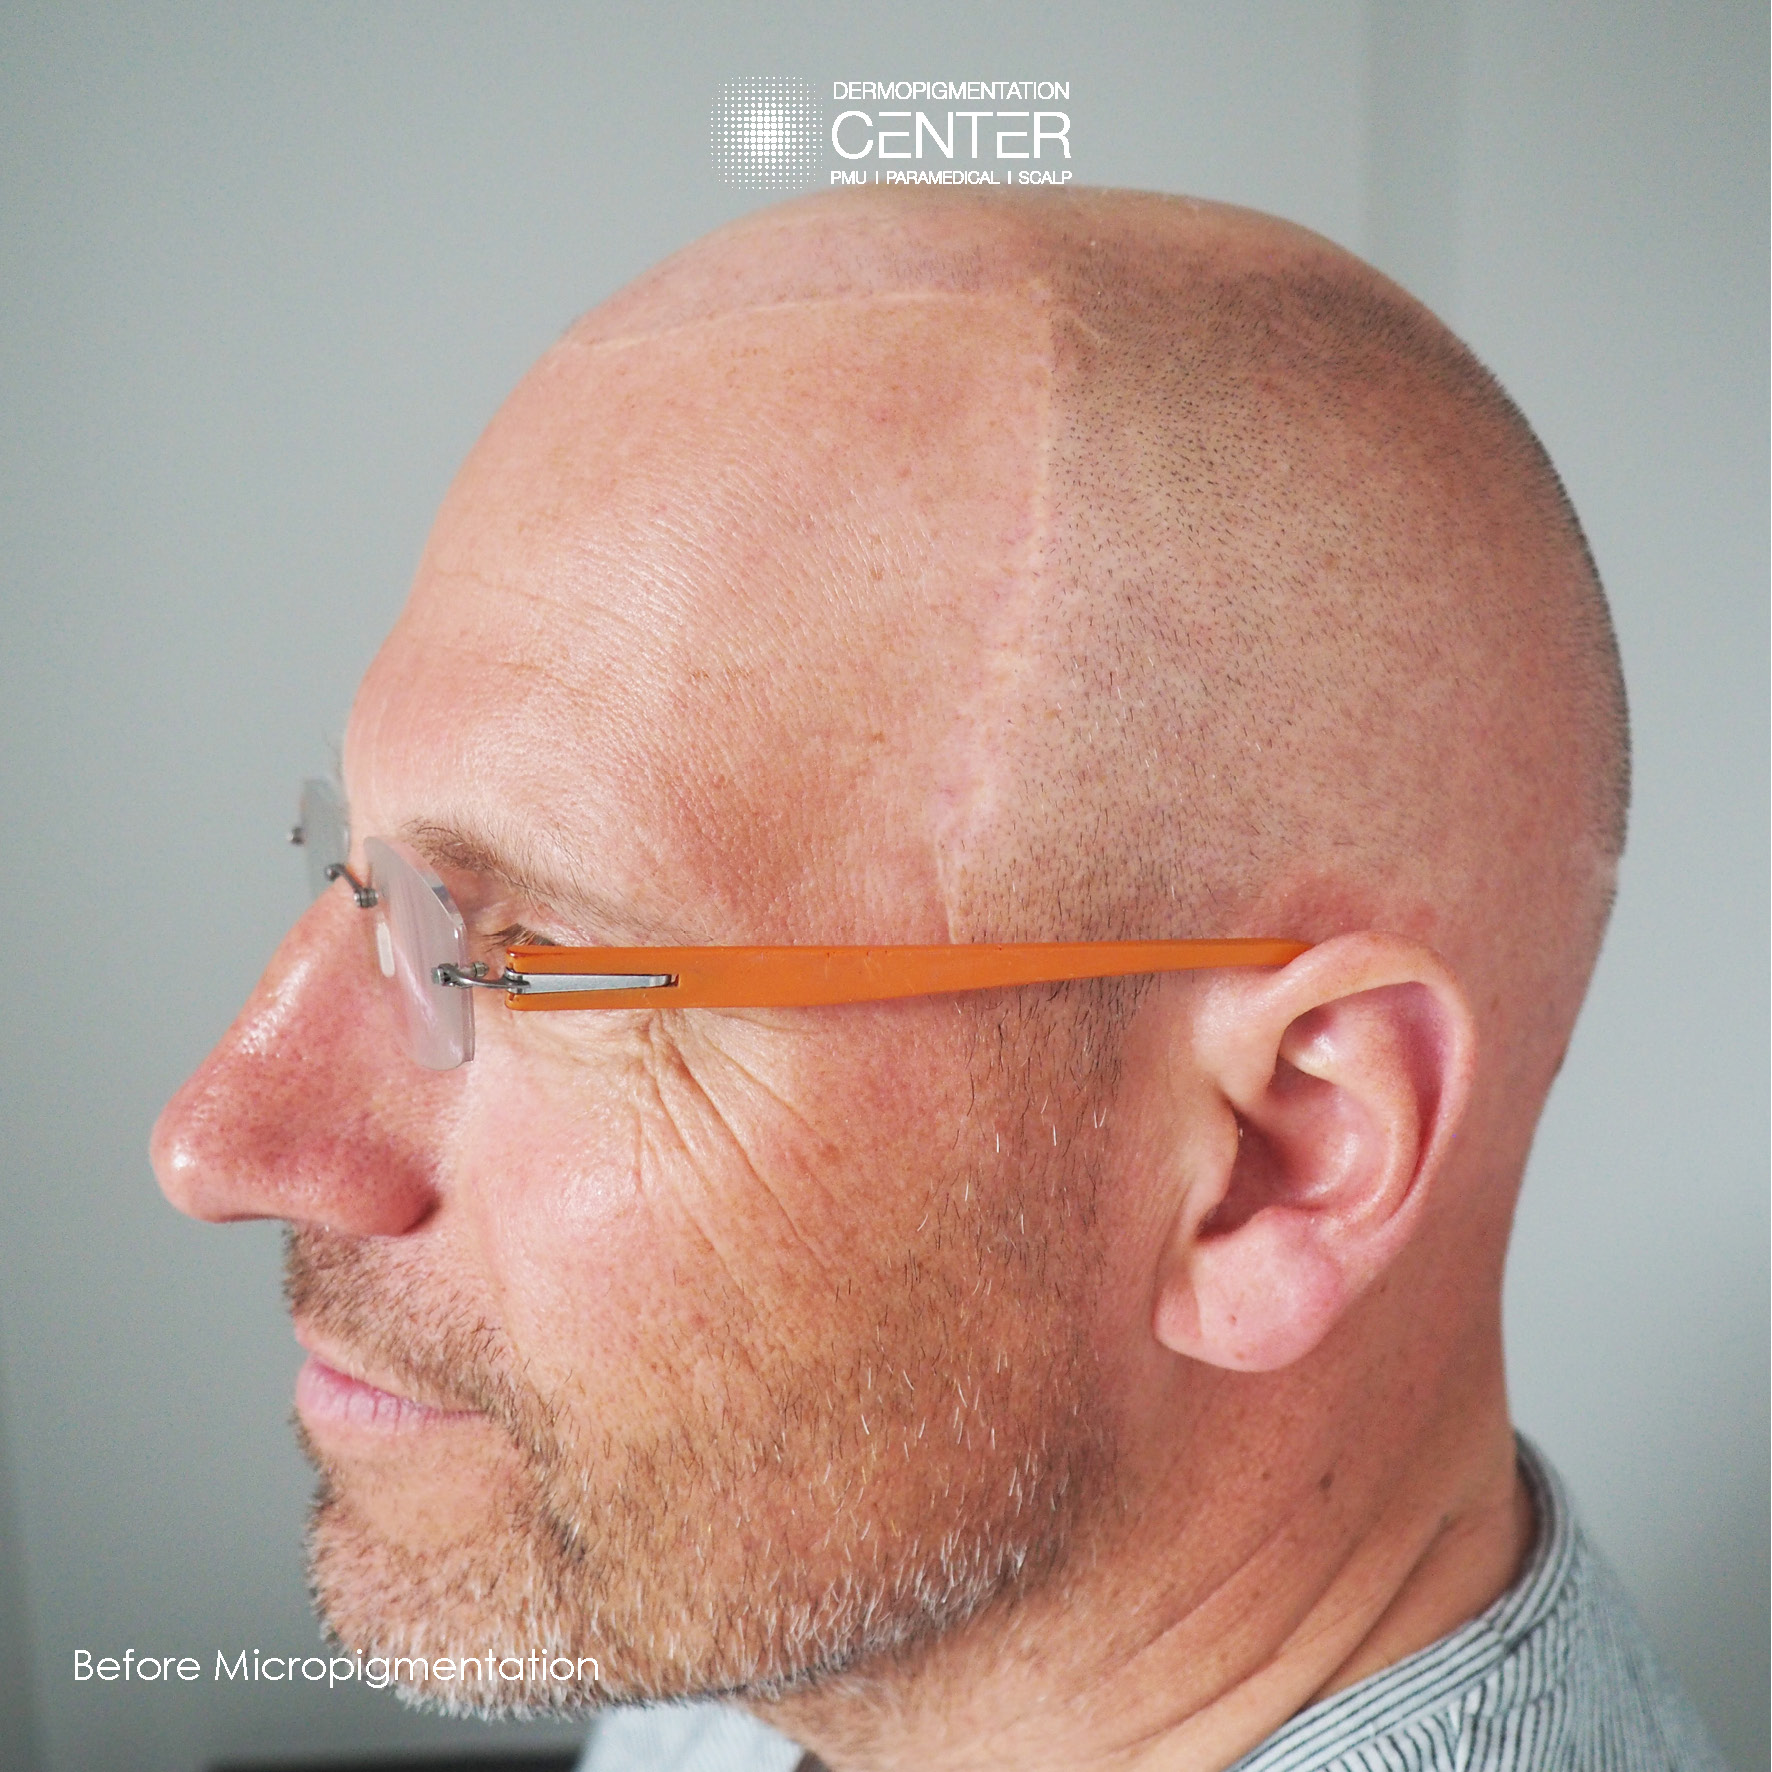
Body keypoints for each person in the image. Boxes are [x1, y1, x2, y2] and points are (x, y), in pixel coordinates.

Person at [151, 189, 1723, 1771]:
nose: (218, 1140)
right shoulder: (799, 1605)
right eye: (372, 883)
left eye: (539, 960)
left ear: (1274, 1159)